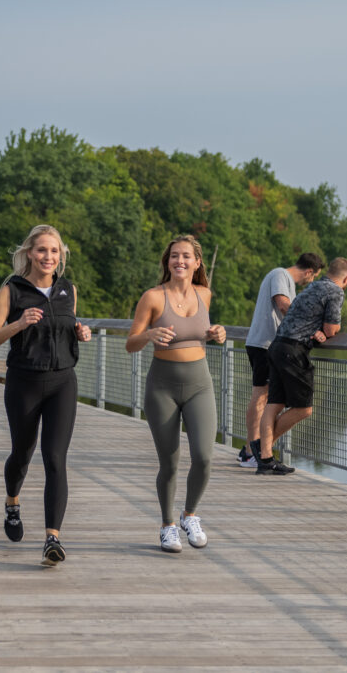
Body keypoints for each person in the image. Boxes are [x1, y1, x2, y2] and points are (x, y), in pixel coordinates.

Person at [0, 225, 92, 566]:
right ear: (29, 252)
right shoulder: (11, 291)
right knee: (22, 453)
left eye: (54, 251)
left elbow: (66, 325)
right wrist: (19, 324)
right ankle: (12, 502)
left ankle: (52, 539)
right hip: (24, 382)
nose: (48, 257)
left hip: (62, 382)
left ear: (61, 256)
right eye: (42, 250)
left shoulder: (67, 289)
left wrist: (80, 331)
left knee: (55, 459)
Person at [125, 235, 227, 552]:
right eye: (174, 256)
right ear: (167, 262)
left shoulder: (205, 295)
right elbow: (131, 343)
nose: (179, 261)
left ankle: (189, 515)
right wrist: (150, 333)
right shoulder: (153, 297)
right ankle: (168, 524)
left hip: (200, 384)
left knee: (204, 457)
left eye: (186, 256)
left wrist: (218, 334)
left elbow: (200, 336)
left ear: (197, 263)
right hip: (162, 386)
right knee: (169, 463)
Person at [257, 257, 347, 475]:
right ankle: (263, 447)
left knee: (275, 403)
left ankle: (264, 456)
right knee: (304, 409)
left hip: (278, 346)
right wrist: (327, 331)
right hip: (294, 351)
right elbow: (331, 328)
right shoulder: (336, 291)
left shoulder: (313, 285)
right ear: (345, 278)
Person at [238, 253, 324, 468]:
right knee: (260, 396)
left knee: (265, 397)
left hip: (267, 344)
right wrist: (308, 329)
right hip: (264, 343)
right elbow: (284, 305)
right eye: (313, 277)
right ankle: (251, 452)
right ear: (309, 272)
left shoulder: (284, 280)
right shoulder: (280, 274)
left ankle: (252, 450)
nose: (310, 282)